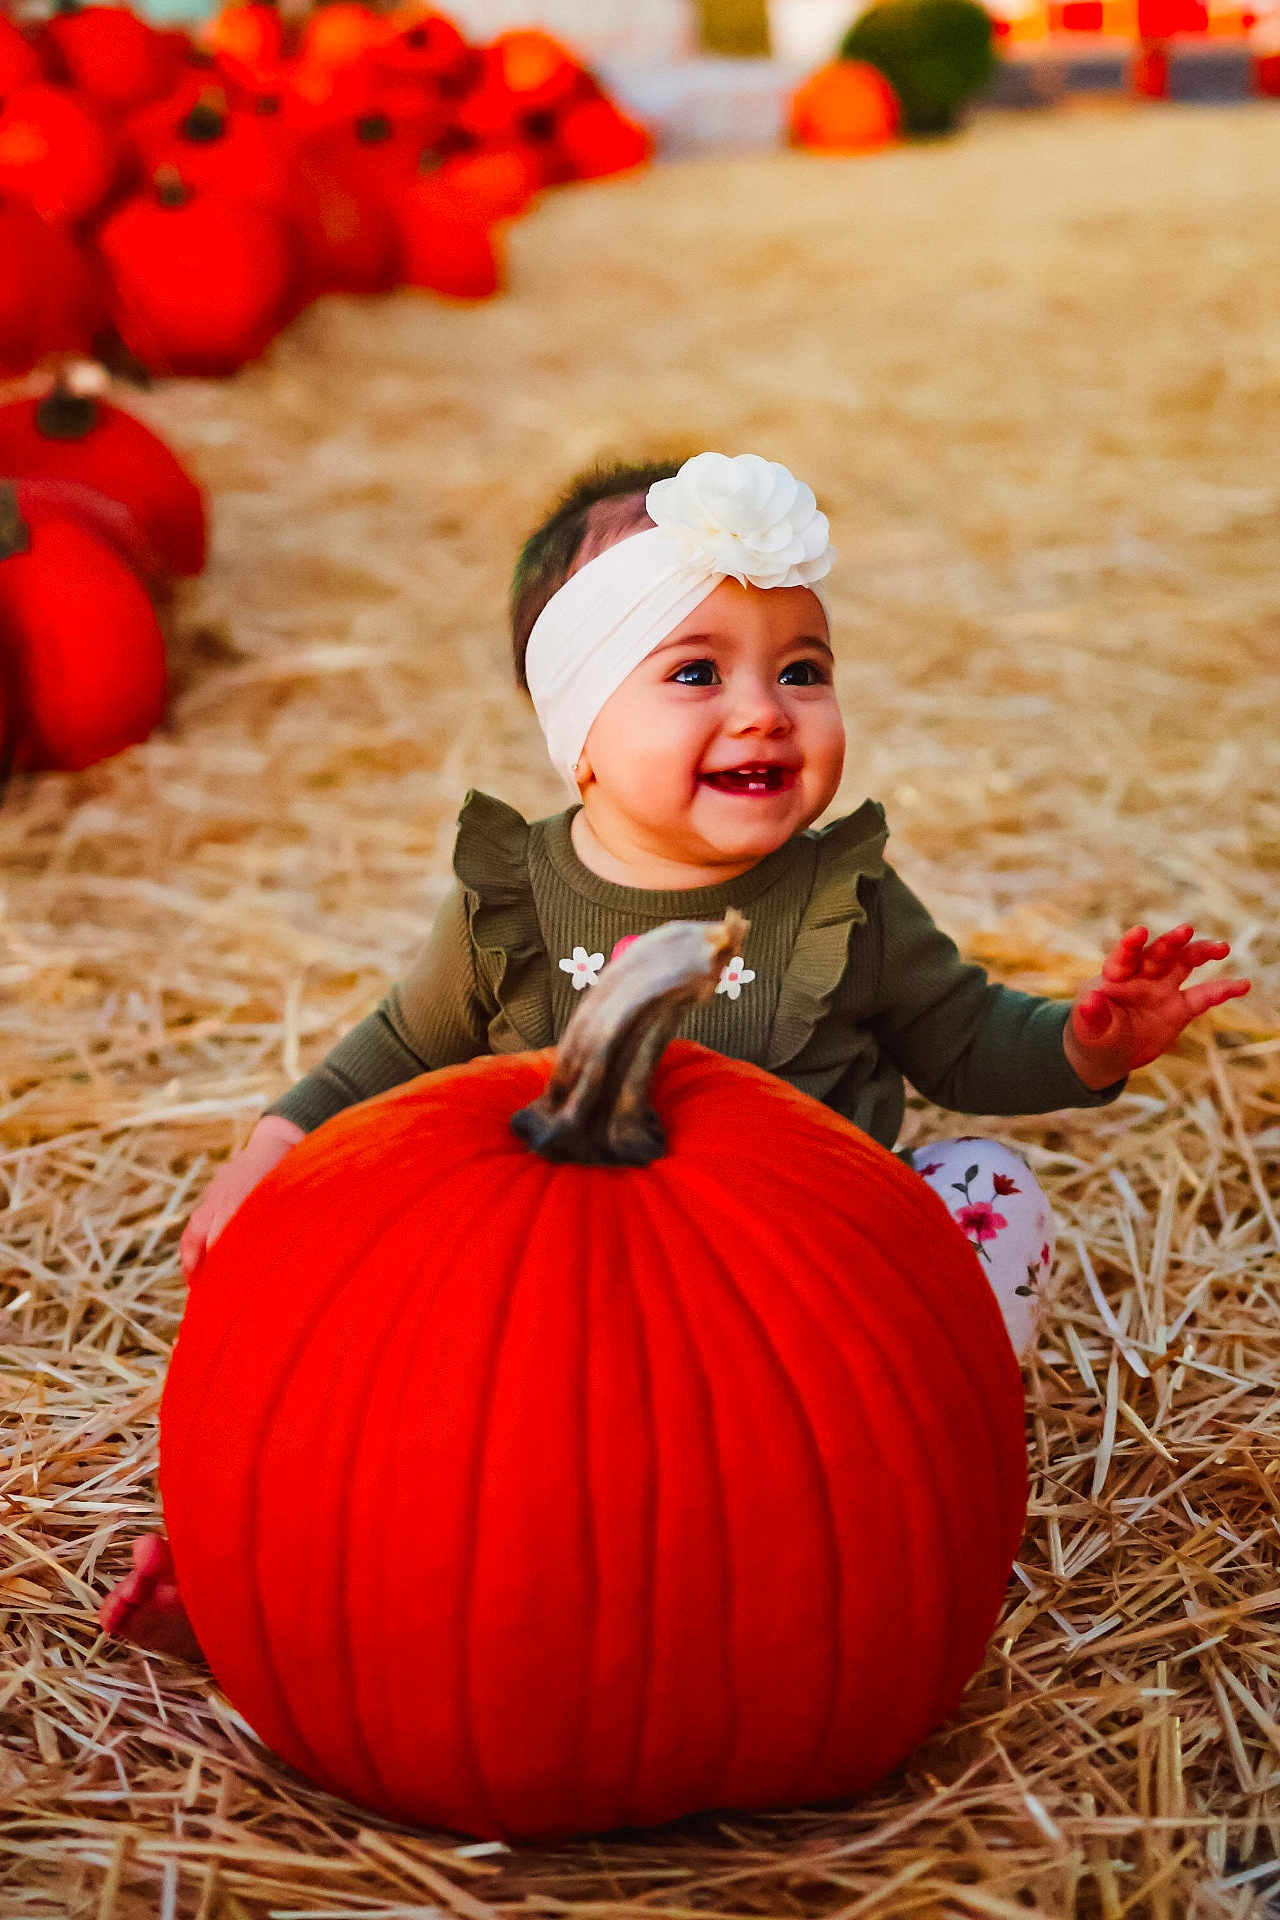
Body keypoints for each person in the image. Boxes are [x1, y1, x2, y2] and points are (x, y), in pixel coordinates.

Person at [100, 450, 1250, 1659]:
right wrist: (274, 1147)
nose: (764, 710)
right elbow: (396, 1048)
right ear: (580, 734)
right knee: (373, 1346)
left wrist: (1079, 1038)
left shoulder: (843, 900)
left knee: (986, 1197)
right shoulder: (517, 907)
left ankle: (899, 1490)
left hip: (816, 1320)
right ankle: (267, 1584)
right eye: (695, 671)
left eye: (801, 670)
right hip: (559, 1313)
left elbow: (961, 1041)